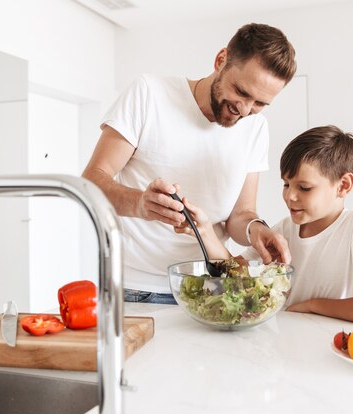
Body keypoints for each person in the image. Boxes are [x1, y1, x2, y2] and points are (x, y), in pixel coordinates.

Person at [82, 23, 297, 304]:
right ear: (221, 60)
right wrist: (139, 204)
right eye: (241, 92)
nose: (245, 110)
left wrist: (256, 228)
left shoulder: (256, 128)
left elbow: (241, 213)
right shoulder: (149, 94)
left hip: (212, 292)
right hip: (136, 291)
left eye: (259, 103)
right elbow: (91, 182)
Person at [175, 125, 353, 325]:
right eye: (286, 184)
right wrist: (204, 231)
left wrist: (311, 306)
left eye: (304, 188)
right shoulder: (285, 230)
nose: (290, 196)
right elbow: (235, 273)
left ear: (343, 185)